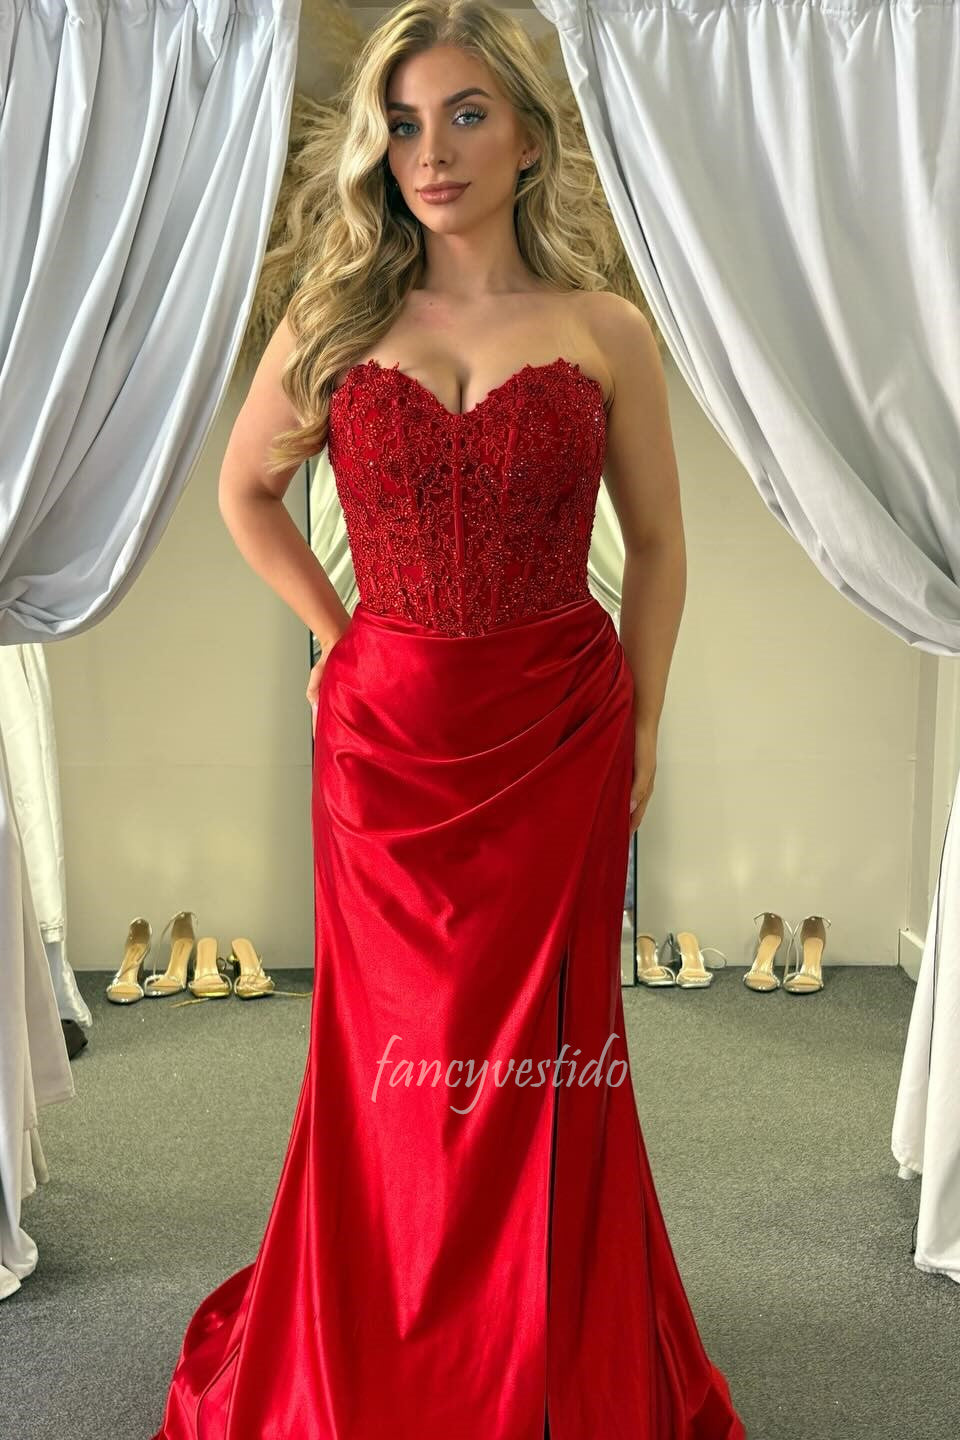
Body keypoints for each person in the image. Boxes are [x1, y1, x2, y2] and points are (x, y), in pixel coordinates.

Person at [151, 3, 746, 1436]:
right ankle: (390, 1340)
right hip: (386, 740)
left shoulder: (605, 331)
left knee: (549, 1060)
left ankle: (540, 1348)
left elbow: (661, 543)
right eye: (406, 122)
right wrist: (339, 628)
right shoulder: (335, 321)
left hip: (560, 729)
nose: (432, 151)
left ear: (530, 137)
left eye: (468, 114)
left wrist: (647, 717)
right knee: (390, 1060)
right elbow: (244, 491)